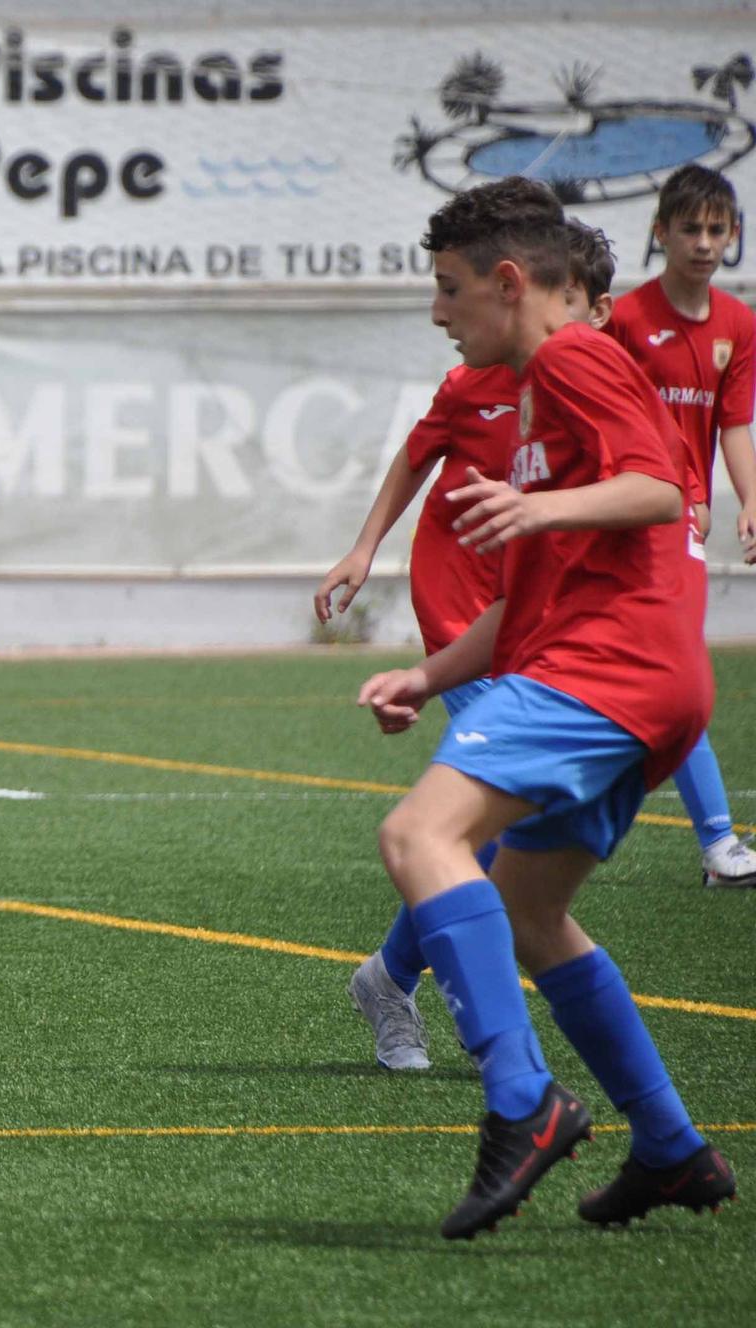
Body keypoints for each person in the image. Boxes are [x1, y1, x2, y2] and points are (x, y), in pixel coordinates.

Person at [357, 178, 735, 1238]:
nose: (438, 312)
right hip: (641, 678)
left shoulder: (569, 357)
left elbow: (657, 488)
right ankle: (668, 1146)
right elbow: (532, 593)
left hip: (605, 668)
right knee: (527, 909)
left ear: (507, 282)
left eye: (447, 290)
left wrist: (538, 503)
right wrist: (424, 677)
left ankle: (521, 1100)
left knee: (416, 833)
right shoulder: (533, 390)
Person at [321, 221, 615, 1072]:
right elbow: (416, 460)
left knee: (494, 830)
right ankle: (495, 1048)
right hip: (461, 607)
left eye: (595, 312)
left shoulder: (583, 389)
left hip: (534, 616)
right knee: (476, 823)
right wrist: (363, 549)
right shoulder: (474, 383)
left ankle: (390, 976)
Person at [604, 164, 756, 888]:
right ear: (659, 231)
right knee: (664, 672)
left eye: (716, 229)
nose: (703, 242)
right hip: (623, 514)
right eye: (688, 227)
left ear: (732, 237)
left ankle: (719, 842)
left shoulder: (739, 324)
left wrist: (747, 499)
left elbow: (733, 425)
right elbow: (612, 420)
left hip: (681, 522)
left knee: (673, 669)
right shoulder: (625, 320)